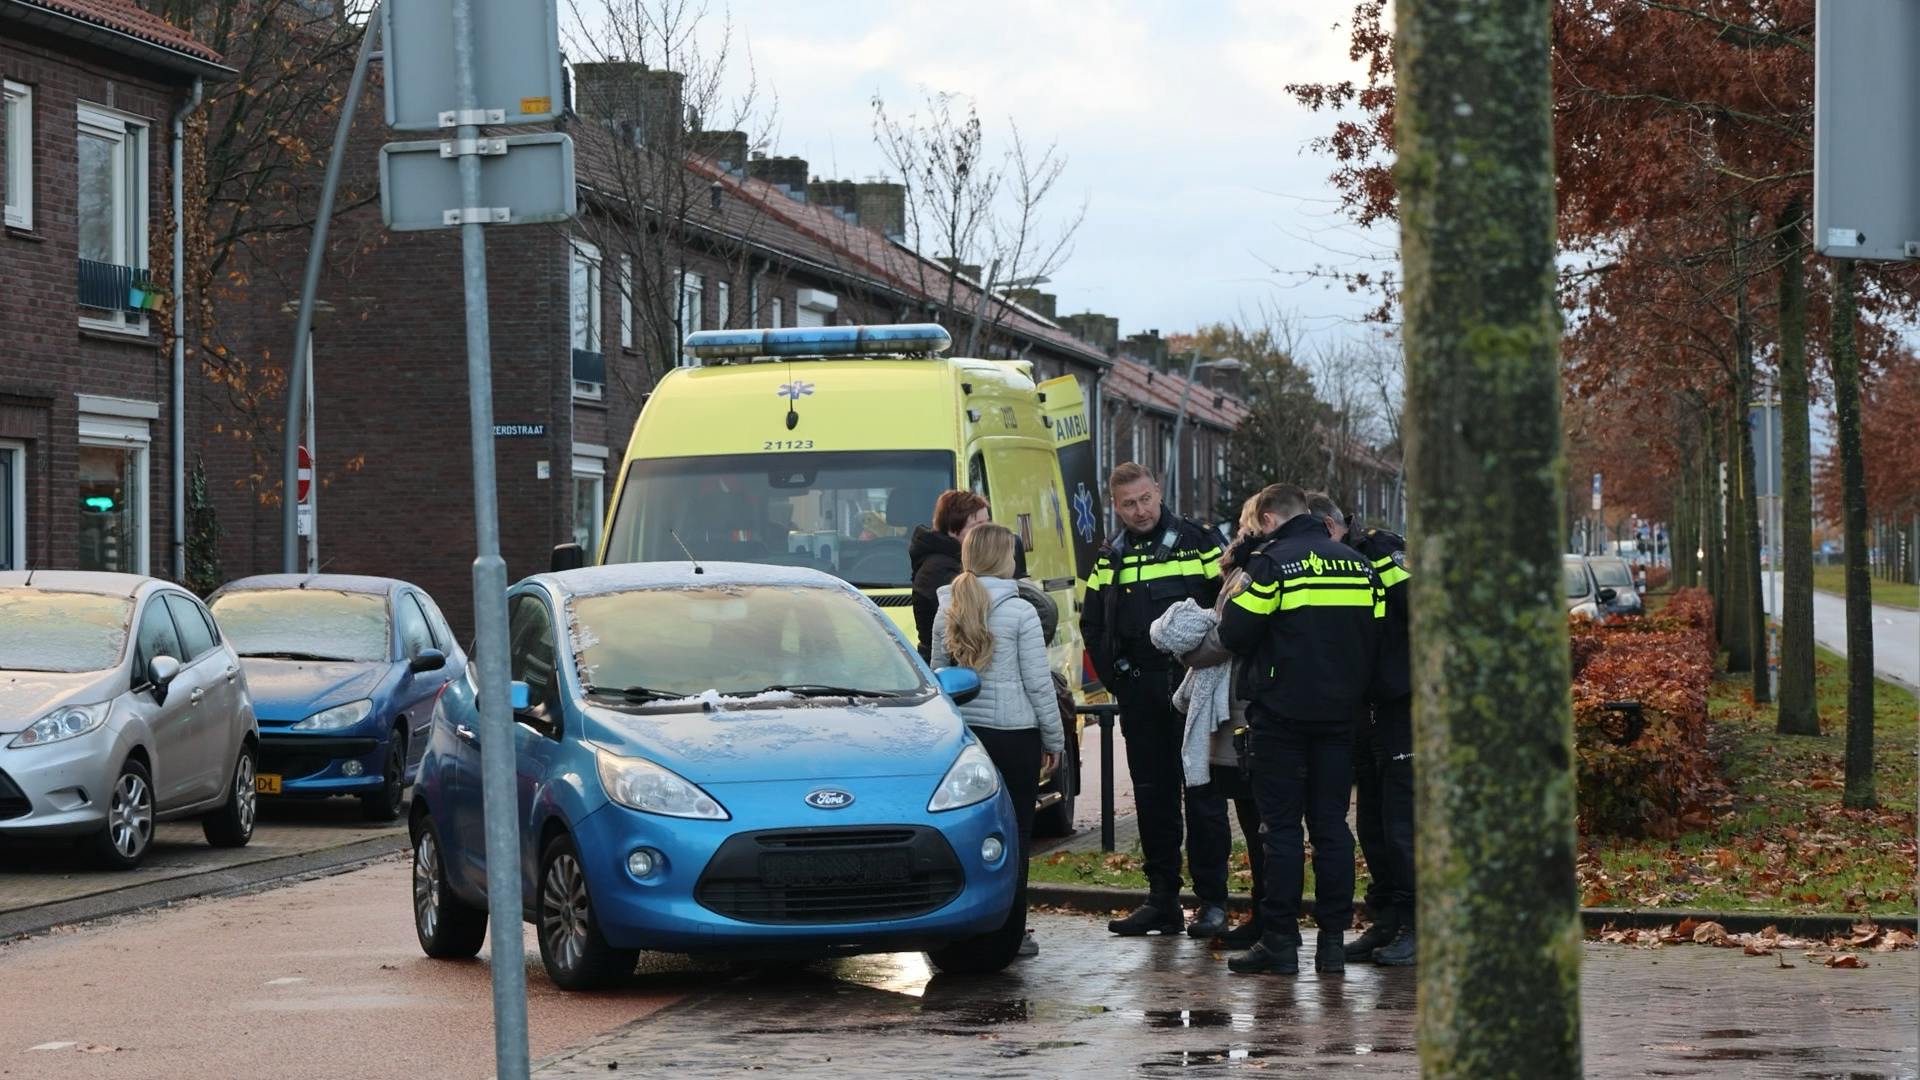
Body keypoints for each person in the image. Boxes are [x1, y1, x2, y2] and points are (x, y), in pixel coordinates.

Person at [1219, 483, 1383, 975]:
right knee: (1332, 828)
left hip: (1281, 716)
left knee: (1282, 831)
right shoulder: (1357, 564)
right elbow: (1374, 630)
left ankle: (1280, 942)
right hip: (1339, 717)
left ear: (1269, 519)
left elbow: (1233, 632)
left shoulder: (1271, 564)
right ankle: (1332, 943)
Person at [1080, 462, 1231, 938]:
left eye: (1146, 499)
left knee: (1203, 795)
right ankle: (1162, 899)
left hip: (1193, 686)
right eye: (1129, 504)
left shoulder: (1199, 541)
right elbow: (1093, 624)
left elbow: (1227, 607)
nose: (1140, 510)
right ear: (1116, 505)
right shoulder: (1111, 555)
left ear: (1159, 491)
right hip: (1142, 690)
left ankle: (1213, 902)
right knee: (1153, 797)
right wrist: (1119, 683)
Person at [931, 523, 1064, 960]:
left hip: (966, 740)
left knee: (966, 834)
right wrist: (1054, 738)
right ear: (1001, 558)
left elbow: (937, 678)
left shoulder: (946, 608)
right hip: (1014, 738)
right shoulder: (1020, 611)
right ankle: (1011, 932)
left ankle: (959, 928)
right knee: (1016, 836)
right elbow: (1039, 685)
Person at [1310, 494, 1416, 967]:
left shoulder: (1381, 550)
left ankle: (1421, 925)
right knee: (1372, 823)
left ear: (1333, 526)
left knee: (1403, 824)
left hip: (1404, 705)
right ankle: (1388, 918)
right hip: (1364, 709)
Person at [1162, 494, 1269, 948]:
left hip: (1243, 712)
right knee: (1231, 815)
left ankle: (1267, 918)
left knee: (1258, 819)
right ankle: (1238, 909)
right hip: (1232, 713)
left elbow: (1228, 636)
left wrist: (1190, 650)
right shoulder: (1244, 567)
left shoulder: (1255, 570)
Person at [909, 490, 1027, 663]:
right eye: (977, 525)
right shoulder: (939, 571)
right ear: (952, 529)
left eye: (987, 522)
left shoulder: (956, 561)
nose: (985, 531)